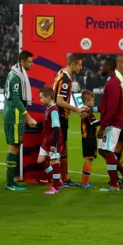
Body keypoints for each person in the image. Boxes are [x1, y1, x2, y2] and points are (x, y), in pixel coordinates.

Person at [96, 58, 123, 192]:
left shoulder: (113, 83)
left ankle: (114, 184)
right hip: (112, 122)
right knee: (103, 150)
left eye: (103, 66)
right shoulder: (111, 82)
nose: (101, 68)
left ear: (109, 67)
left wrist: (102, 127)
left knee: (107, 151)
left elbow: (111, 108)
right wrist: (93, 109)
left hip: (112, 123)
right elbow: (106, 105)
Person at [4, 50, 37, 191]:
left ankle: (11, 181)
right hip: (14, 115)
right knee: (14, 146)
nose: (32, 64)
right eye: (29, 62)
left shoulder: (15, 73)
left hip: (12, 113)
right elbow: (16, 99)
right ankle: (10, 183)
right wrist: (27, 116)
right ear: (22, 62)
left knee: (15, 146)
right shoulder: (17, 77)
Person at [53, 53, 85, 187]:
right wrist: (76, 109)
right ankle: (59, 179)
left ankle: (64, 178)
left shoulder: (60, 73)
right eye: (79, 65)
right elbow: (59, 101)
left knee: (63, 147)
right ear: (72, 64)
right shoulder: (65, 79)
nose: (81, 68)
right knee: (59, 148)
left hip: (59, 115)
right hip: (60, 116)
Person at [36, 87, 63, 195]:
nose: (40, 100)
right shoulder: (48, 108)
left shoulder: (54, 110)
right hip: (46, 139)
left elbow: (56, 128)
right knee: (40, 161)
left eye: (41, 98)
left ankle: (55, 187)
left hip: (53, 140)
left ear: (48, 97)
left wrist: (53, 144)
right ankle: (57, 179)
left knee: (54, 161)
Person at [79, 90, 100, 189]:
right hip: (89, 137)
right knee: (89, 159)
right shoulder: (87, 111)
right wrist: (107, 119)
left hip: (86, 137)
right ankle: (86, 183)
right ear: (86, 101)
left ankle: (83, 182)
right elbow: (95, 123)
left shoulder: (84, 109)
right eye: (92, 100)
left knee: (87, 159)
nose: (93, 102)